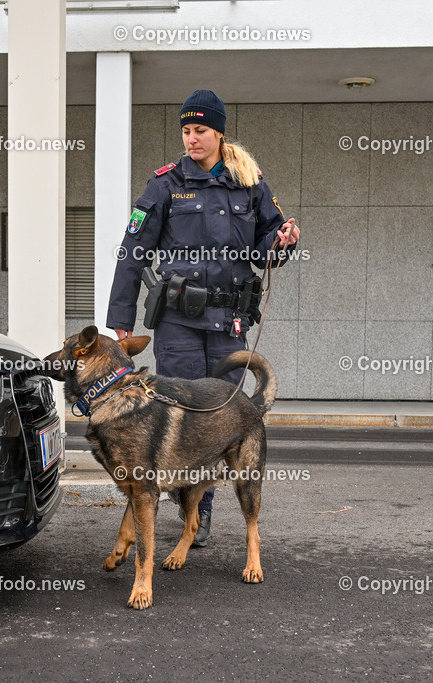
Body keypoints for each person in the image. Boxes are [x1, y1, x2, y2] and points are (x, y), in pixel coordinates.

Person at [105, 89, 300, 546]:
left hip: (230, 320)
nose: (192, 139)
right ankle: (197, 509)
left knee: (222, 416)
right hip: (178, 323)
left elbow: (266, 242)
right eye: (186, 131)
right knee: (180, 413)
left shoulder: (249, 183)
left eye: (200, 131)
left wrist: (284, 239)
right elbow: (132, 252)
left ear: (218, 132)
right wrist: (121, 318)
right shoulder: (165, 184)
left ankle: (200, 505)